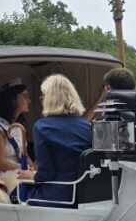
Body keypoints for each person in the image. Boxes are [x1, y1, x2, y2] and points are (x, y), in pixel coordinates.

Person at [27, 74, 92, 208]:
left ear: (49, 99)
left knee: (17, 195)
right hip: (86, 196)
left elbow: (46, 173)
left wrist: (32, 176)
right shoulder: (88, 125)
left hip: (57, 196)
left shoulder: (42, 127)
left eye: (43, 96)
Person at [0, 80, 34, 180]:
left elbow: (24, 155)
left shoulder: (18, 125)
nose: (29, 100)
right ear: (12, 99)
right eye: (25, 96)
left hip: (21, 172)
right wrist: (26, 169)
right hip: (5, 176)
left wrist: (34, 169)